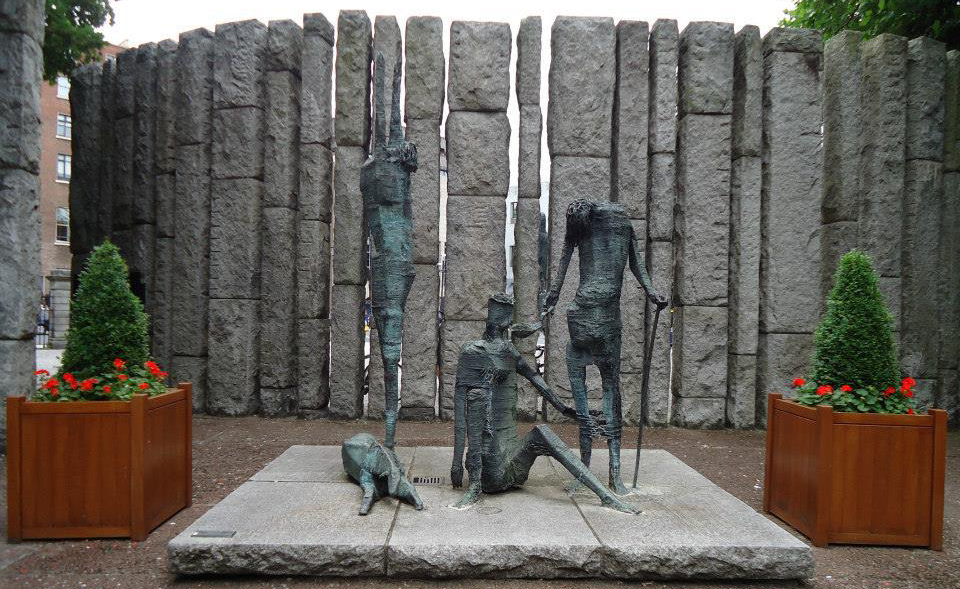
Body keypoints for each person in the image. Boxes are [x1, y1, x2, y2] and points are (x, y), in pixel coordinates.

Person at [450, 293, 639, 514]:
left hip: (512, 463)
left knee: (541, 433)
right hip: (487, 469)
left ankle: (606, 496)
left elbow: (536, 379)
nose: (501, 317)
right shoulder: (472, 351)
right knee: (477, 396)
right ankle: (474, 485)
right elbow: (460, 408)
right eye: (499, 311)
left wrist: (565, 409)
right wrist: (456, 463)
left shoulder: (509, 351)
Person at [542, 200, 667, 495]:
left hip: (591, 316)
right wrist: (651, 292)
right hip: (591, 317)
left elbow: (565, 261)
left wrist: (552, 297)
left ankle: (604, 473)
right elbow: (635, 263)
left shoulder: (606, 223)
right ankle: (605, 474)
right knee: (606, 394)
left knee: (604, 394)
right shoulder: (613, 222)